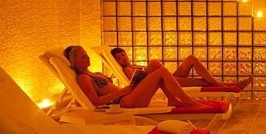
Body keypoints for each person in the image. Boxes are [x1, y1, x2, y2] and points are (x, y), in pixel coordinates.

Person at [64, 45, 204, 108]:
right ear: (74, 62)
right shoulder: (83, 78)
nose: (88, 58)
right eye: (83, 57)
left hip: (128, 95)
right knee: (162, 72)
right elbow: (95, 102)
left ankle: (172, 99)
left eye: (86, 55)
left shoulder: (94, 73)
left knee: (154, 64)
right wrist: (122, 92)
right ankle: (189, 102)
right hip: (125, 101)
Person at [110, 48, 252, 90]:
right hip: (163, 84)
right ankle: (231, 85)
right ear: (117, 61)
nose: (122, 57)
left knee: (191, 59)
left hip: (167, 78)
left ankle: (226, 84)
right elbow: (135, 83)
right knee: (202, 82)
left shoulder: (133, 65)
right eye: (119, 58)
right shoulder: (127, 69)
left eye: (123, 54)